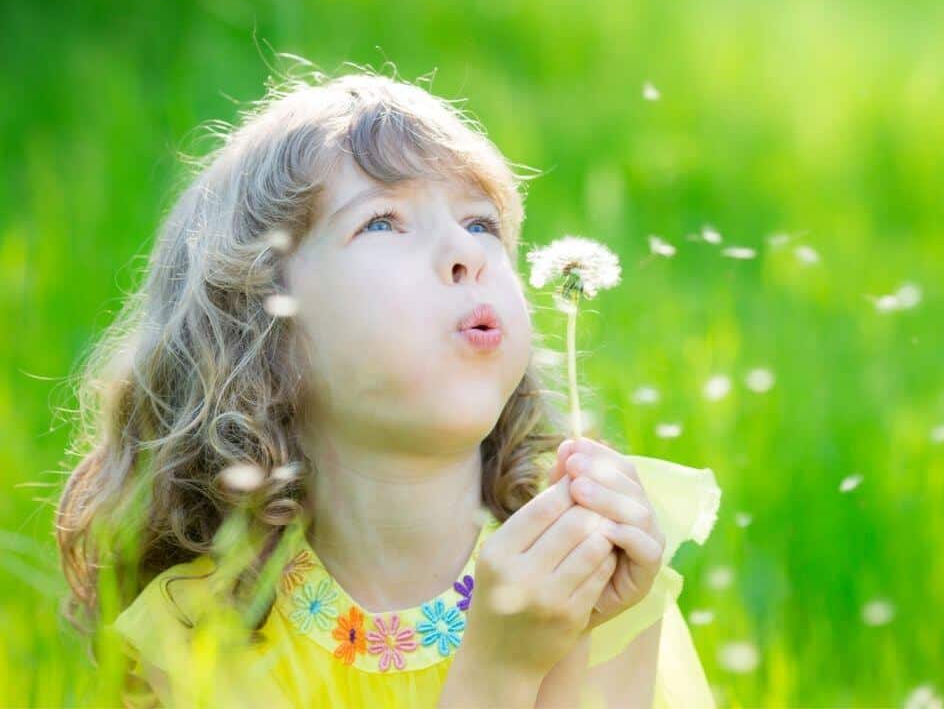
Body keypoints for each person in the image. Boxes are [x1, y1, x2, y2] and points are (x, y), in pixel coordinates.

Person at [54, 62, 722, 707]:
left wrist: (577, 636)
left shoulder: (588, 570)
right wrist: (498, 673)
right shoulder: (200, 633)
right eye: (382, 222)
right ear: (263, 326)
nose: (466, 253)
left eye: (481, 223)